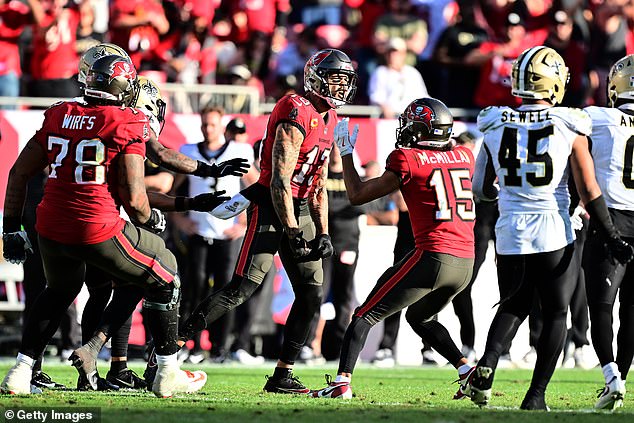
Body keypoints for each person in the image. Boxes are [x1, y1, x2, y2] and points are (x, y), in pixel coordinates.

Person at [0, 54, 230, 397]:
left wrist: (11, 229)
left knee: (59, 291)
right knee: (165, 269)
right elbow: (136, 202)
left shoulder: (61, 113)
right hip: (96, 226)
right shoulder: (126, 121)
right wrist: (151, 217)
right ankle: (167, 371)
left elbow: (18, 174)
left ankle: (20, 371)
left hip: (50, 226)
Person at [150, 48, 358, 393]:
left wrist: (322, 231)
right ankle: (169, 350)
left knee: (311, 295)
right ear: (315, 78)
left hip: (304, 208)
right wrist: (291, 229)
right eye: (335, 79)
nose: (339, 87)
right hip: (273, 207)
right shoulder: (296, 108)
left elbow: (318, 181)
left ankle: (282, 375)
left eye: (344, 80)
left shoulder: (333, 119)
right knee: (241, 288)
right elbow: (278, 179)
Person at [467, 46, 634, 410]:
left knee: (514, 303)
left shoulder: (495, 121)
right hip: (554, 230)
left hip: (510, 229)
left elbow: (480, 188)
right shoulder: (569, 122)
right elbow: (589, 191)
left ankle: (487, 364)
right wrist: (611, 235)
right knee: (558, 312)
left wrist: (511, 195)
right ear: (555, 83)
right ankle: (535, 396)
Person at [311, 97, 477, 399]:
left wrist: (346, 153)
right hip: (466, 261)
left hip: (434, 255)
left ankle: (341, 384)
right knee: (420, 317)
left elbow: (357, 194)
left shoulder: (407, 158)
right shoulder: (465, 155)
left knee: (364, 315)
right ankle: (468, 371)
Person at [171, 104, 255, 363]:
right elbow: (173, 190)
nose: (208, 129)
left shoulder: (240, 151)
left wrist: (243, 223)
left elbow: (257, 187)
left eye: (213, 125)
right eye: (205, 125)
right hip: (198, 232)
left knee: (225, 292)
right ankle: (190, 344)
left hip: (227, 233)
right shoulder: (188, 151)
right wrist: (178, 220)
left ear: (222, 127)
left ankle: (220, 346)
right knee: (193, 289)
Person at [582, 54, 634, 409]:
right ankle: (622, 380)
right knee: (631, 308)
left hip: (610, 219)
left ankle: (611, 376)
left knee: (601, 305)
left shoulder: (597, 117)